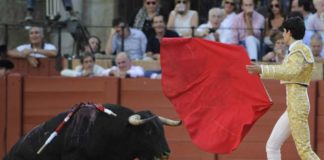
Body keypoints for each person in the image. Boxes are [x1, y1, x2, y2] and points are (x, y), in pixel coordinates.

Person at [246, 17, 320, 160]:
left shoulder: (299, 51)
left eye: (284, 32)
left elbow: (289, 72)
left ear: (289, 32)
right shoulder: (299, 50)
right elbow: (289, 70)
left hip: (297, 105)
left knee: (305, 151)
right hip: (293, 105)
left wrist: (262, 69)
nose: (283, 35)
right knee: (272, 145)